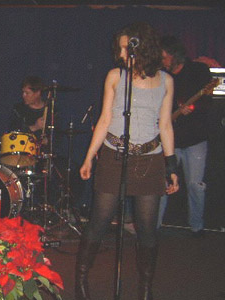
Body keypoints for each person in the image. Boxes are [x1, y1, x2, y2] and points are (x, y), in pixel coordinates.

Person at [75, 23, 179, 300]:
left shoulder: (166, 81)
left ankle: (146, 288)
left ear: (141, 47)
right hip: (113, 155)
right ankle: (81, 280)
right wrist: (89, 157)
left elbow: (166, 125)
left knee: (147, 230)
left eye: (126, 47)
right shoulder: (116, 76)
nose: (121, 53)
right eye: (120, 47)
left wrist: (171, 167)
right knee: (99, 220)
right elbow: (105, 119)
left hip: (150, 159)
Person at [157, 35, 213, 237]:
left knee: (195, 185)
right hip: (170, 139)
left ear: (174, 54)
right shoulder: (162, 76)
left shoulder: (198, 70)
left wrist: (193, 107)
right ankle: (153, 226)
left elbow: (208, 101)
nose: (162, 60)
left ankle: (197, 226)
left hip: (195, 138)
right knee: (161, 185)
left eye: (164, 56)